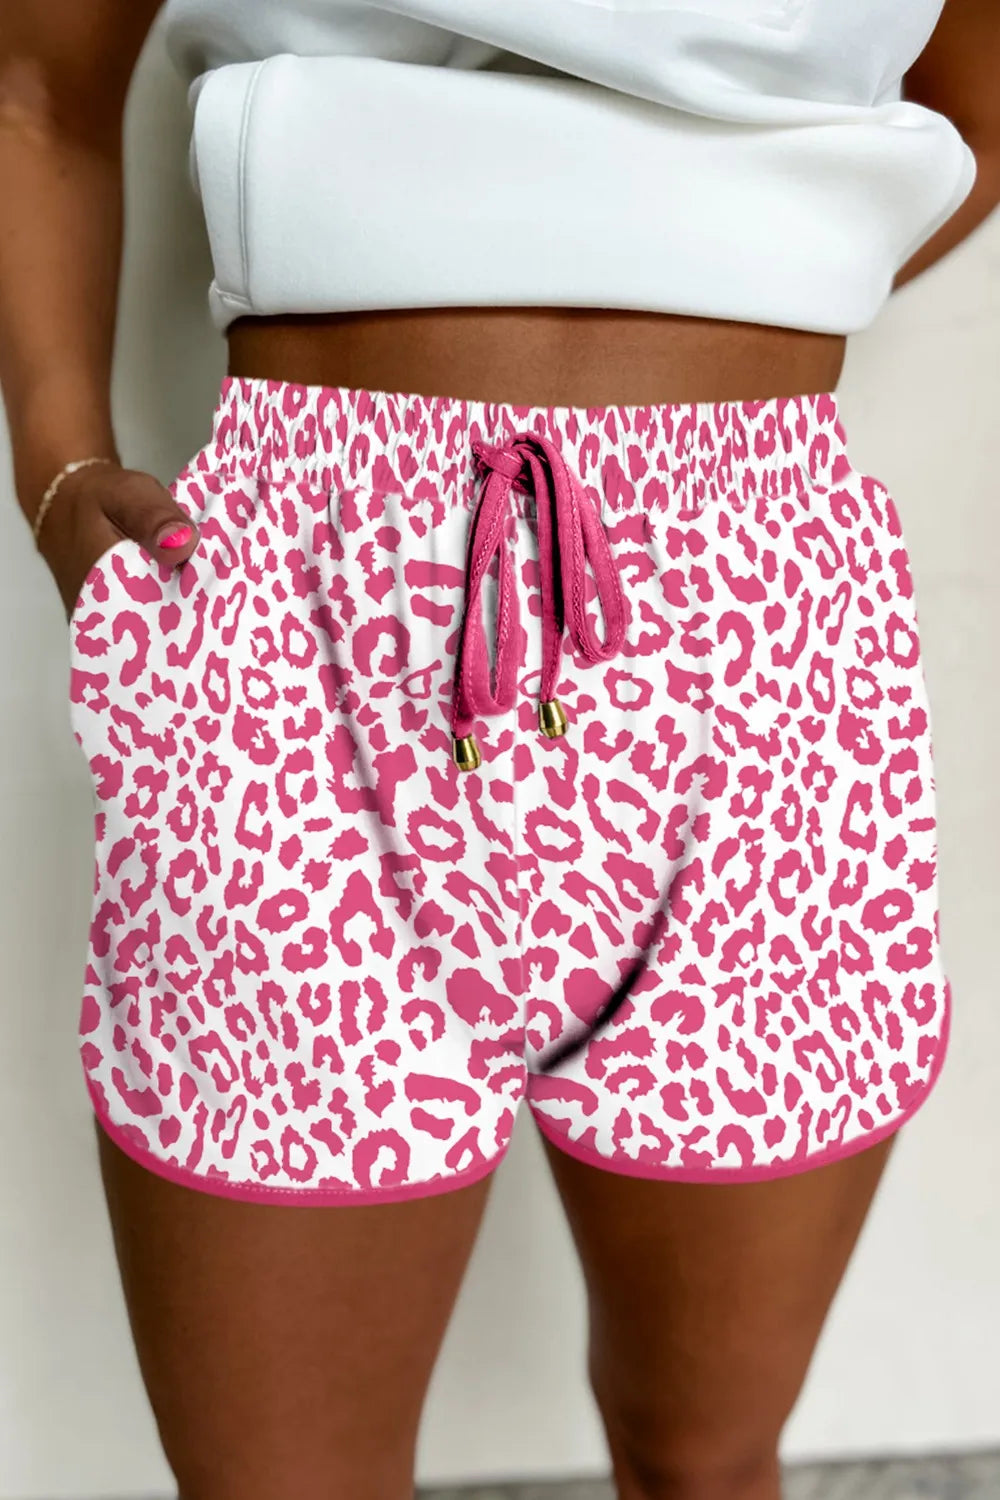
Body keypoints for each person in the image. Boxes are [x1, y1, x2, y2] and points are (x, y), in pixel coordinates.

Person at [1, 3, 998, 1497]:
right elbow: (38, 87)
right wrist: (61, 467)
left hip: (755, 626)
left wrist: (739, 272)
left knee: (707, 1459)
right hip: (302, 620)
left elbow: (978, 105)